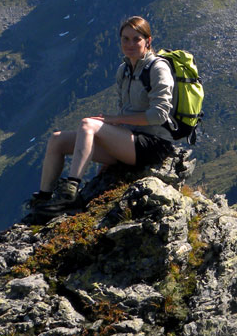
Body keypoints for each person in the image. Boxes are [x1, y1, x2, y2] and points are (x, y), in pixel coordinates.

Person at [31, 16, 176, 213]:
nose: (130, 44)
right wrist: (112, 147)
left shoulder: (158, 68)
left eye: (136, 39)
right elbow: (125, 110)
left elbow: (159, 115)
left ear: (148, 41)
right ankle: (44, 200)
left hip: (153, 145)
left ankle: (70, 193)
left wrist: (115, 121)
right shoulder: (123, 70)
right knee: (57, 140)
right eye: (125, 39)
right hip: (129, 142)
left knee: (88, 124)